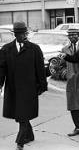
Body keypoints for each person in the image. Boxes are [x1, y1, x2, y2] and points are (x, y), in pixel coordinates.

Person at [0, 22, 47, 150]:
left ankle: (20, 143)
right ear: (14, 34)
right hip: (13, 89)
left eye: (23, 33)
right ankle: (29, 135)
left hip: (29, 88)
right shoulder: (6, 49)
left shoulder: (34, 49)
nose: (22, 36)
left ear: (26, 33)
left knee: (23, 114)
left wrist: (42, 86)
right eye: (18, 34)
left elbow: (40, 69)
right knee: (21, 115)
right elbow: (1, 69)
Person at [62, 27, 79, 137]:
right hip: (72, 80)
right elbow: (62, 65)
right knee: (73, 105)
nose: (72, 37)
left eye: (74, 35)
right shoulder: (65, 49)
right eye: (70, 35)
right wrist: (64, 72)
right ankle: (78, 127)